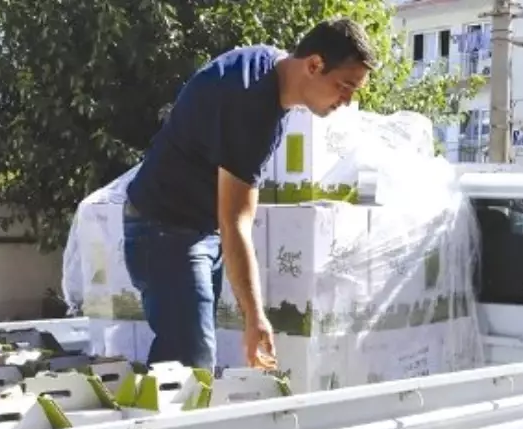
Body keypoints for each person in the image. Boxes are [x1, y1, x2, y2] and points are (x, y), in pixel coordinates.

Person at [123, 19, 378, 370]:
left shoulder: (268, 67)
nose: (347, 101)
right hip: (165, 230)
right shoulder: (253, 104)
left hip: (191, 227)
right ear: (315, 65)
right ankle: (151, 424)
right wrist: (255, 317)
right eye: (344, 86)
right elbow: (235, 221)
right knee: (190, 364)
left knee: (182, 364)